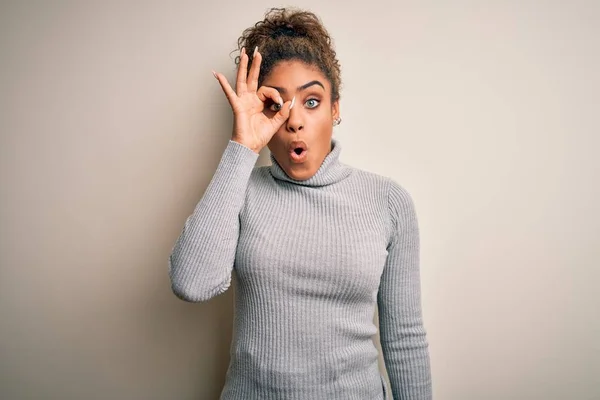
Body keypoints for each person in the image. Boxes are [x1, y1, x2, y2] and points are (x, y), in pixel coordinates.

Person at [169, 7, 432, 399]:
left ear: (335, 109)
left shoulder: (388, 201)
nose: (295, 122)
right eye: (278, 105)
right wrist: (242, 146)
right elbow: (191, 282)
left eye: (312, 101)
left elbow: (405, 338)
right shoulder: (241, 188)